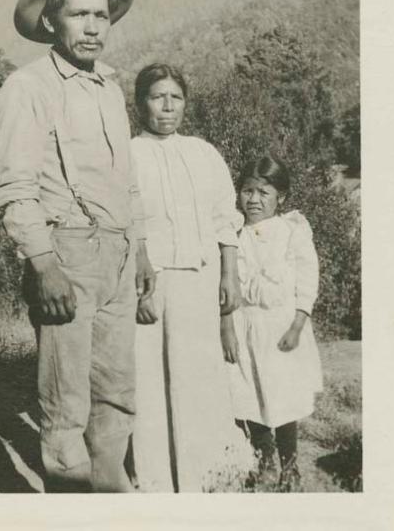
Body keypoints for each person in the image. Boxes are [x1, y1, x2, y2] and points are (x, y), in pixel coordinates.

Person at [0, 0, 155, 493]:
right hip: (66, 252)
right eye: (78, 14)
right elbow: (14, 188)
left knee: (117, 393)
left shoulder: (109, 87)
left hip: (119, 255)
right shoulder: (28, 88)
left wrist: (141, 252)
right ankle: (69, 506)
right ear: (50, 21)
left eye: (101, 15)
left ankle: (108, 498)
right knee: (66, 403)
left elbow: (125, 180)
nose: (92, 27)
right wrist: (45, 265)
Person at [129, 63, 254, 492]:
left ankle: (208, 480)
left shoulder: (203, 153)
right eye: (157, 96)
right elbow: (131, 226)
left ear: (186, 103)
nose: (167, 106)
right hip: (153, 285)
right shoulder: (128, 155)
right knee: (152, 383)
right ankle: (159, 483)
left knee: (200, 380)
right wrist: (141, 289)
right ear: (140, 102)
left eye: (175, 97)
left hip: (201, 285)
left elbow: (225, 220)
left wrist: (229, 276)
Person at [221, 155, 323, 491]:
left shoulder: (292, 229)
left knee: (282, 398)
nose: (253, 199)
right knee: (249, 396)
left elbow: (307, 278)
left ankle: (290, 465)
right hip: (244, 325)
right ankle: (264, 460)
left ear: (281, 197)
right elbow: (225, 286)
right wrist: (227, 328)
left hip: (280, 328)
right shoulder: (231, 235)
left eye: (263, 192)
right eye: (247, 191)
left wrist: (297, 324)